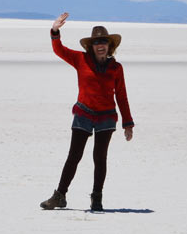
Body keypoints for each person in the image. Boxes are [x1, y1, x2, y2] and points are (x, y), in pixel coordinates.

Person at [40, 12, 135, 212]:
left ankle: (96, 198)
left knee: (99, 158)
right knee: (74, 156)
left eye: (104, 42)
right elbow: (59, 50)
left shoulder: (116, 68)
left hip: (106, 117)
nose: (100, 46)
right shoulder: (80, 59)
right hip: (83, 113)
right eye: (96, 42)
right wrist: (55, 30)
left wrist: (128, 123)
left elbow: (122, 96)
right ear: (91, 46)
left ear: (110, 46)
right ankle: (59, 196)